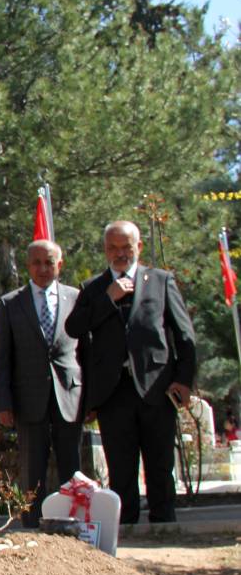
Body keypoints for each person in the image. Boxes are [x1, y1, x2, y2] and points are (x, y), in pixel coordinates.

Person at [64, 220, 196, 524]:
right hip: (113, 392)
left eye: (127, 247)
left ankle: (164, 528)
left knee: (160, 466)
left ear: (139, 247)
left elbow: (185, 337)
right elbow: (74, 327)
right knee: (121, 469)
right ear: (105, 250)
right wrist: (108, 297)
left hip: (157, 389)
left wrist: (184, 381)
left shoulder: (161, 281)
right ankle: (125, 533)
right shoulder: (94, 288)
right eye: (114, 247)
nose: (120, 253)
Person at [0, 240, 84, 527]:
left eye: (49, 262)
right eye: (37, 263)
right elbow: (3, 357)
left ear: (60, 264)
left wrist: (90, 399)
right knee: (33, 469)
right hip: (28, 398)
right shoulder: (11, 303)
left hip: (70, 396)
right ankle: (33, 525)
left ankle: (77, 523)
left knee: (73, 467)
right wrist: (3, 402)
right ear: (27, 265)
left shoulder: (76, 298)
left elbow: (87, 351)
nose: (43, 268)